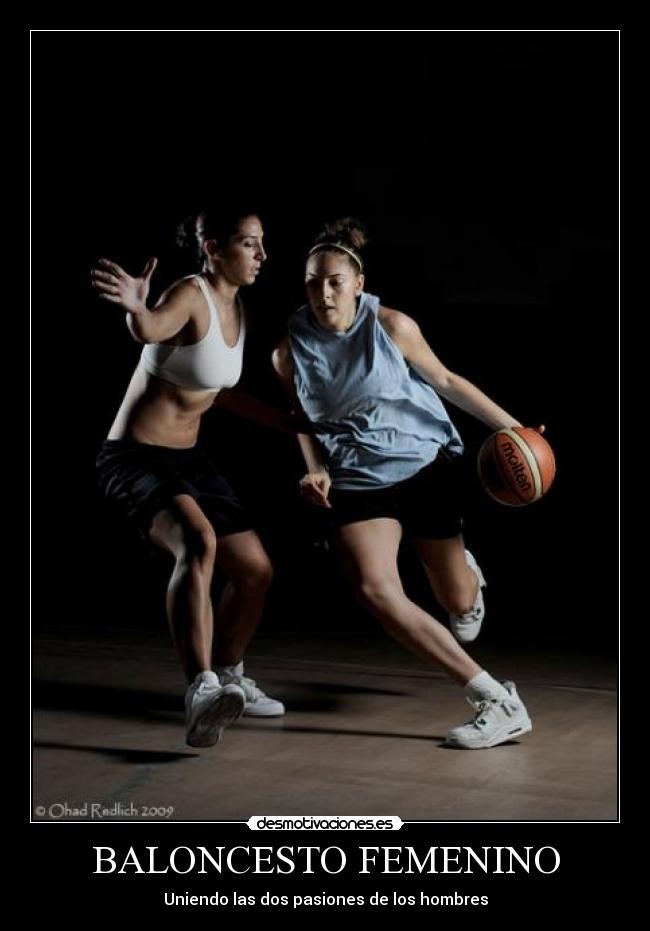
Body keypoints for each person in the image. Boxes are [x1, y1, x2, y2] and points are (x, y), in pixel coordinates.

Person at [273, 217, 539, 749]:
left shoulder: (391, 326)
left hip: (424, 466)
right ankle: (495, 699)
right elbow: (301, 418)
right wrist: (315, 466)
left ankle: (466, 582)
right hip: (358, 479)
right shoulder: (287, 351)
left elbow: (445, 381)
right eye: (312, 281)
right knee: (374, 588)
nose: (323, 291)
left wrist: (515, 429)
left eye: (334, 280)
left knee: (457, 602)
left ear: (358, 284)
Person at [92, 205, 285, 749]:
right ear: (214, 248)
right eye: (250, 243)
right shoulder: (187, 293)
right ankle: (200, 690)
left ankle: (227, 674)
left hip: (189, 461)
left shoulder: (237, 306)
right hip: (133, 456)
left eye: (262, 243)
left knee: (255, 572)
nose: (262, 255)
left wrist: (286, 422)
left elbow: (216, 389)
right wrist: (135, 307)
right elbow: (150, 327)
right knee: (197, 543)